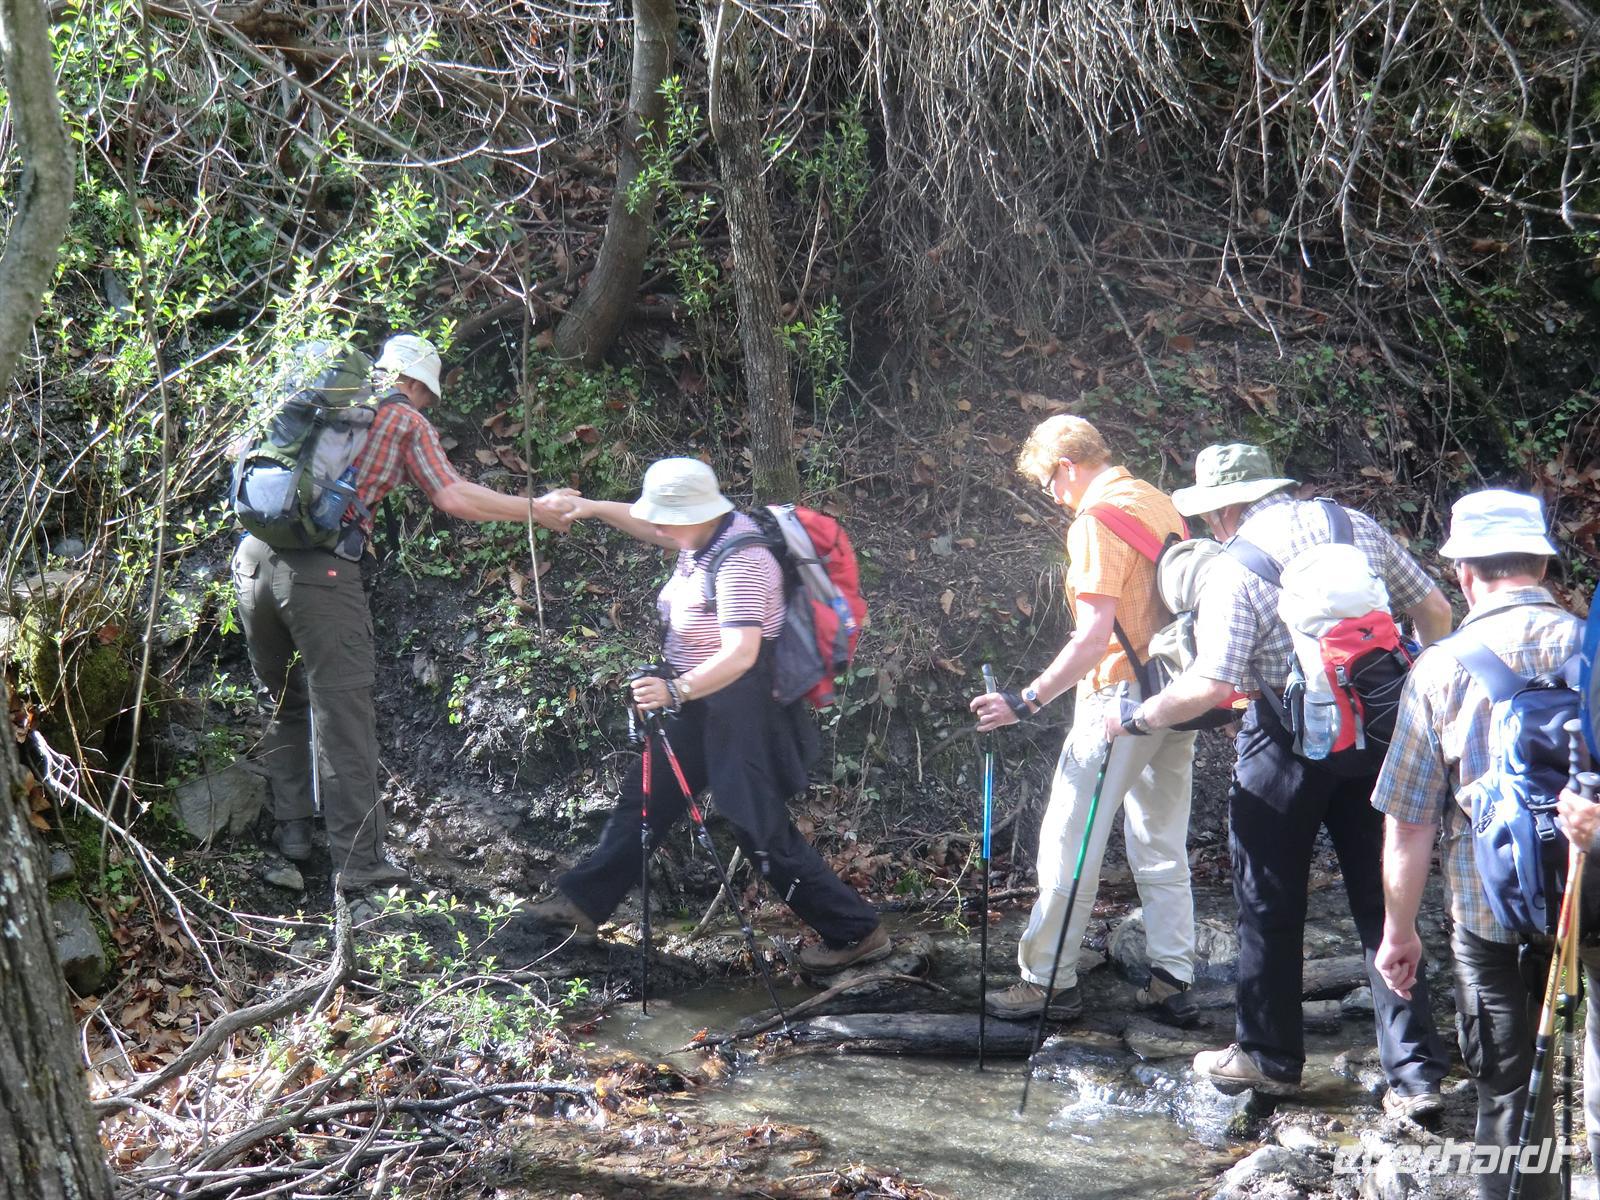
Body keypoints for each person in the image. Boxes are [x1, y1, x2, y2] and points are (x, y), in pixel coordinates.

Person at [1102, 443, 1453, 1108]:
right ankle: (1416, 1075)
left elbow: (1212, 685)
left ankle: (1269, 1058)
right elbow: (1435, 613)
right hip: (1380, 731)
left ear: (1223, 511)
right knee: (1385, 900)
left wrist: (1138, 717)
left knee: (1269, 900)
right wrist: (1417, 701)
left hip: (1283, 741)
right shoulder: (1356, 526)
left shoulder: (1235, 567)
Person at [234, 334, 574, 893]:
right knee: (343, 717)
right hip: (320, 577)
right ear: (414, 383)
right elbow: (453, 496)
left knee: (285, 703)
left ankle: (293, 837)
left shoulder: (311, 397)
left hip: (251, 560)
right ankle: (358, 863)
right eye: (428, 396)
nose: (427, 406)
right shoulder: (403, 420)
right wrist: (534, 509)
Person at [527, 458, 889, 971]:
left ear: (694, 514)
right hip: (696, 700)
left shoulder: (743, 561)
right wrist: (592, 508)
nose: (657, 528)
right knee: (646, 800)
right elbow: (647, 524)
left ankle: (856, 932)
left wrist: (675, 689)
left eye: (665, 519)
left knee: (755, 826)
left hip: (743, 706)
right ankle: (581, 906)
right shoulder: (700, 535)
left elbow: (740, 653)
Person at [1375, 489, 1592, 1198]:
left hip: (1488, 912)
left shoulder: (1439, 668)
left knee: (1507, 1092)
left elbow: (1410, 822)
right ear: (1543, 565)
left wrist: (1398, 932)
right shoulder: (1590, 647)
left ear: (1464, 573)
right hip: (1593, 898)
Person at [970, 414, 1200, 1024]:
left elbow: (1094, 637)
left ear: (1067, 467)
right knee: (1161, 840)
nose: (1052, 495)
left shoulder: (1096, 522)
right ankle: (1173, 977)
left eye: (1049, 482)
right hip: (1175, 692)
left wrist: (1027, 699)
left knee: (1069, 845)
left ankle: (1048, 981)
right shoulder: (1157, 502)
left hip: (1116, 702)